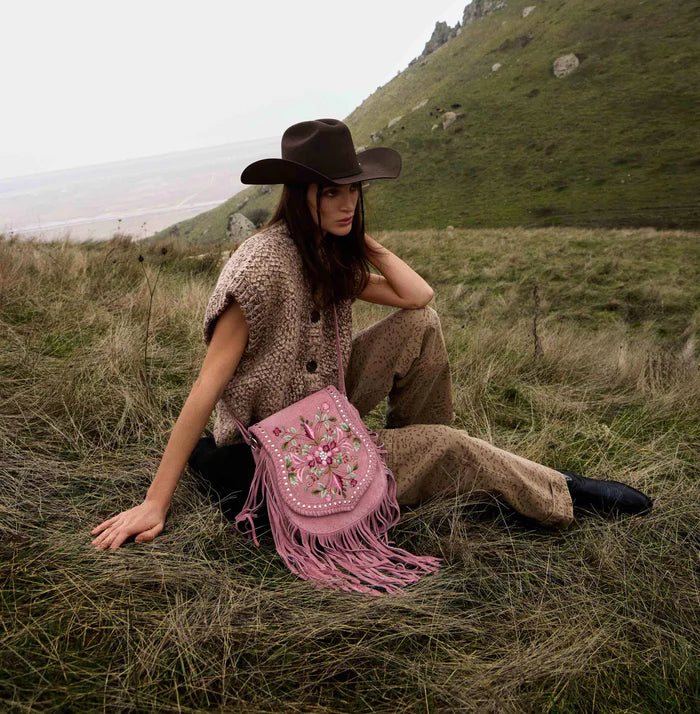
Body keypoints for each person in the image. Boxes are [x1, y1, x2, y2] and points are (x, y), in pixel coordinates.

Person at [91, 119, 651, 553]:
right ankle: (565, 494)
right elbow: (204, 390)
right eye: (332, 192)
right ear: (299, 192)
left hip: (321, 406)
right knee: (449, 447)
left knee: (421, 329)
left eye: (354, 191)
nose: (347, 202)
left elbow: (417, 298)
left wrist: (365, 243)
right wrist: (154, 502)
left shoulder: (326, 254)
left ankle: (412, 477)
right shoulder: (259, 270)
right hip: (273, 445)